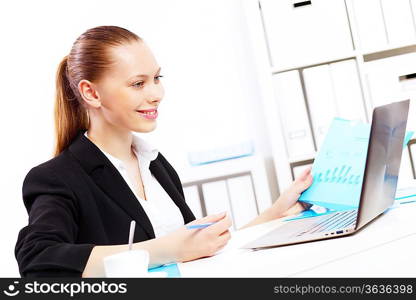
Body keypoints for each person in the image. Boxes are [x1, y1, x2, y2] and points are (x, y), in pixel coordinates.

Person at [15, 25, 313, 278]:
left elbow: (194, 252)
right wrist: (169, 248)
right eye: (138, 83)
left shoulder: (156, 165)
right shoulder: (58, 178)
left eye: (157, 78)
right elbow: (38, 261)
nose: (156, 94)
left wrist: (276, 214)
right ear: (91, 93)